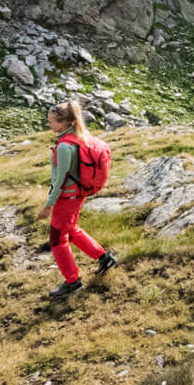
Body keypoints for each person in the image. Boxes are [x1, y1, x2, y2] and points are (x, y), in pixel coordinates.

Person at [44, 99, 117, 301]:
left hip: (66, 197)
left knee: (57, 239)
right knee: (70, 229)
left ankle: (72, 282)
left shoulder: (64, 147)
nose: (48, 124)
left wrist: (48, 205)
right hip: (78, 194)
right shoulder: (79, 137)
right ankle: (104, 258)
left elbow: (60, 180)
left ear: (63, 123)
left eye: (51, 121)